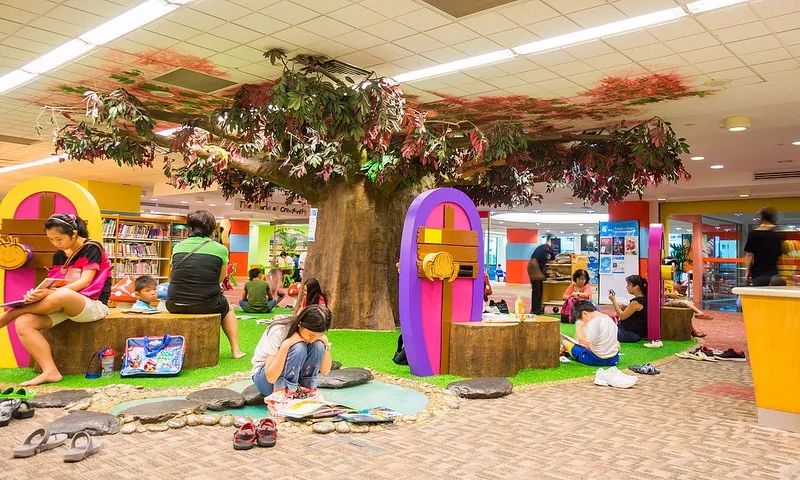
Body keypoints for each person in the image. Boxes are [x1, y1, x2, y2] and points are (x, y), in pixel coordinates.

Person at [0, 214, 112, 386]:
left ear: (73, 233)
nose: (55, 243)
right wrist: (37, 293)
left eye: (59, 239)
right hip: (63, 306)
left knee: (62, 295)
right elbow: (53, 283)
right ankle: (50, 371)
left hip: (92, 304)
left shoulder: (92, 247)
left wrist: (49, 293)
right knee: (24, 322)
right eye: (51, 239)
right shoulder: (59, 255)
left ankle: (12, 313)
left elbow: (85, 281)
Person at [166, 210, 245, 359]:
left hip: (174, 303)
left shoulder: (178, 247)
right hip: (206, 304)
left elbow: (172, 275)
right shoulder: (220, 249)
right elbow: (220, 279)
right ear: (212, 229)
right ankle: (236, 350)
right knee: (228, 308)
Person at [251, 305, 333, 397]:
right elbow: (270, 378)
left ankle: (308, 388)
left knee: (318, 345)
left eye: (319, 335)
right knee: (299, 348)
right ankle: (288, 392)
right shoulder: (279, 331)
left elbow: (325, 371)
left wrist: (325, 344)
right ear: (300, 324)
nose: (312, 339)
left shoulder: (314, 339)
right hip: (266, 380)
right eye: (311, 335)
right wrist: (286, 345)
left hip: (295, 378)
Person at [561, 300, 619, 366]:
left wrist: (578, 325)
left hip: (597, 359)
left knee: (564, 341)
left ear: (584, 313)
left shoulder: (593, 323)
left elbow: (584, 342)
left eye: (581, 319)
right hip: (614, 358)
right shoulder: (609, 318)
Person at [744, 207, 782, 286]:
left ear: (762, 218)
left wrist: (747, 271)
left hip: (758, 274)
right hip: (774, 274)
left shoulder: (754, 234)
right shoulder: (776, 233)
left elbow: (749, 255)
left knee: (759, 292)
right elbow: (779, 255)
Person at [608, 275, 647, 342]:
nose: (626, 287)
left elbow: (622, 316)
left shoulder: (636, 302)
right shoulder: (642, 299)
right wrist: (625, 307)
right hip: (631, 332)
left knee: (604, 332)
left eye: (628, 285)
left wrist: (613, 300)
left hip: (630, 334)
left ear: (636, 287)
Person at [528, 237, 555, 314]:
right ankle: (536, 310)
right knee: (537, 291)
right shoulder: (547, 249)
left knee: (538, 291)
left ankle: (537, 309)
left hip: (535, 269)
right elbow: (553, 258)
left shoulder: (542, 248)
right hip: (535, 270)